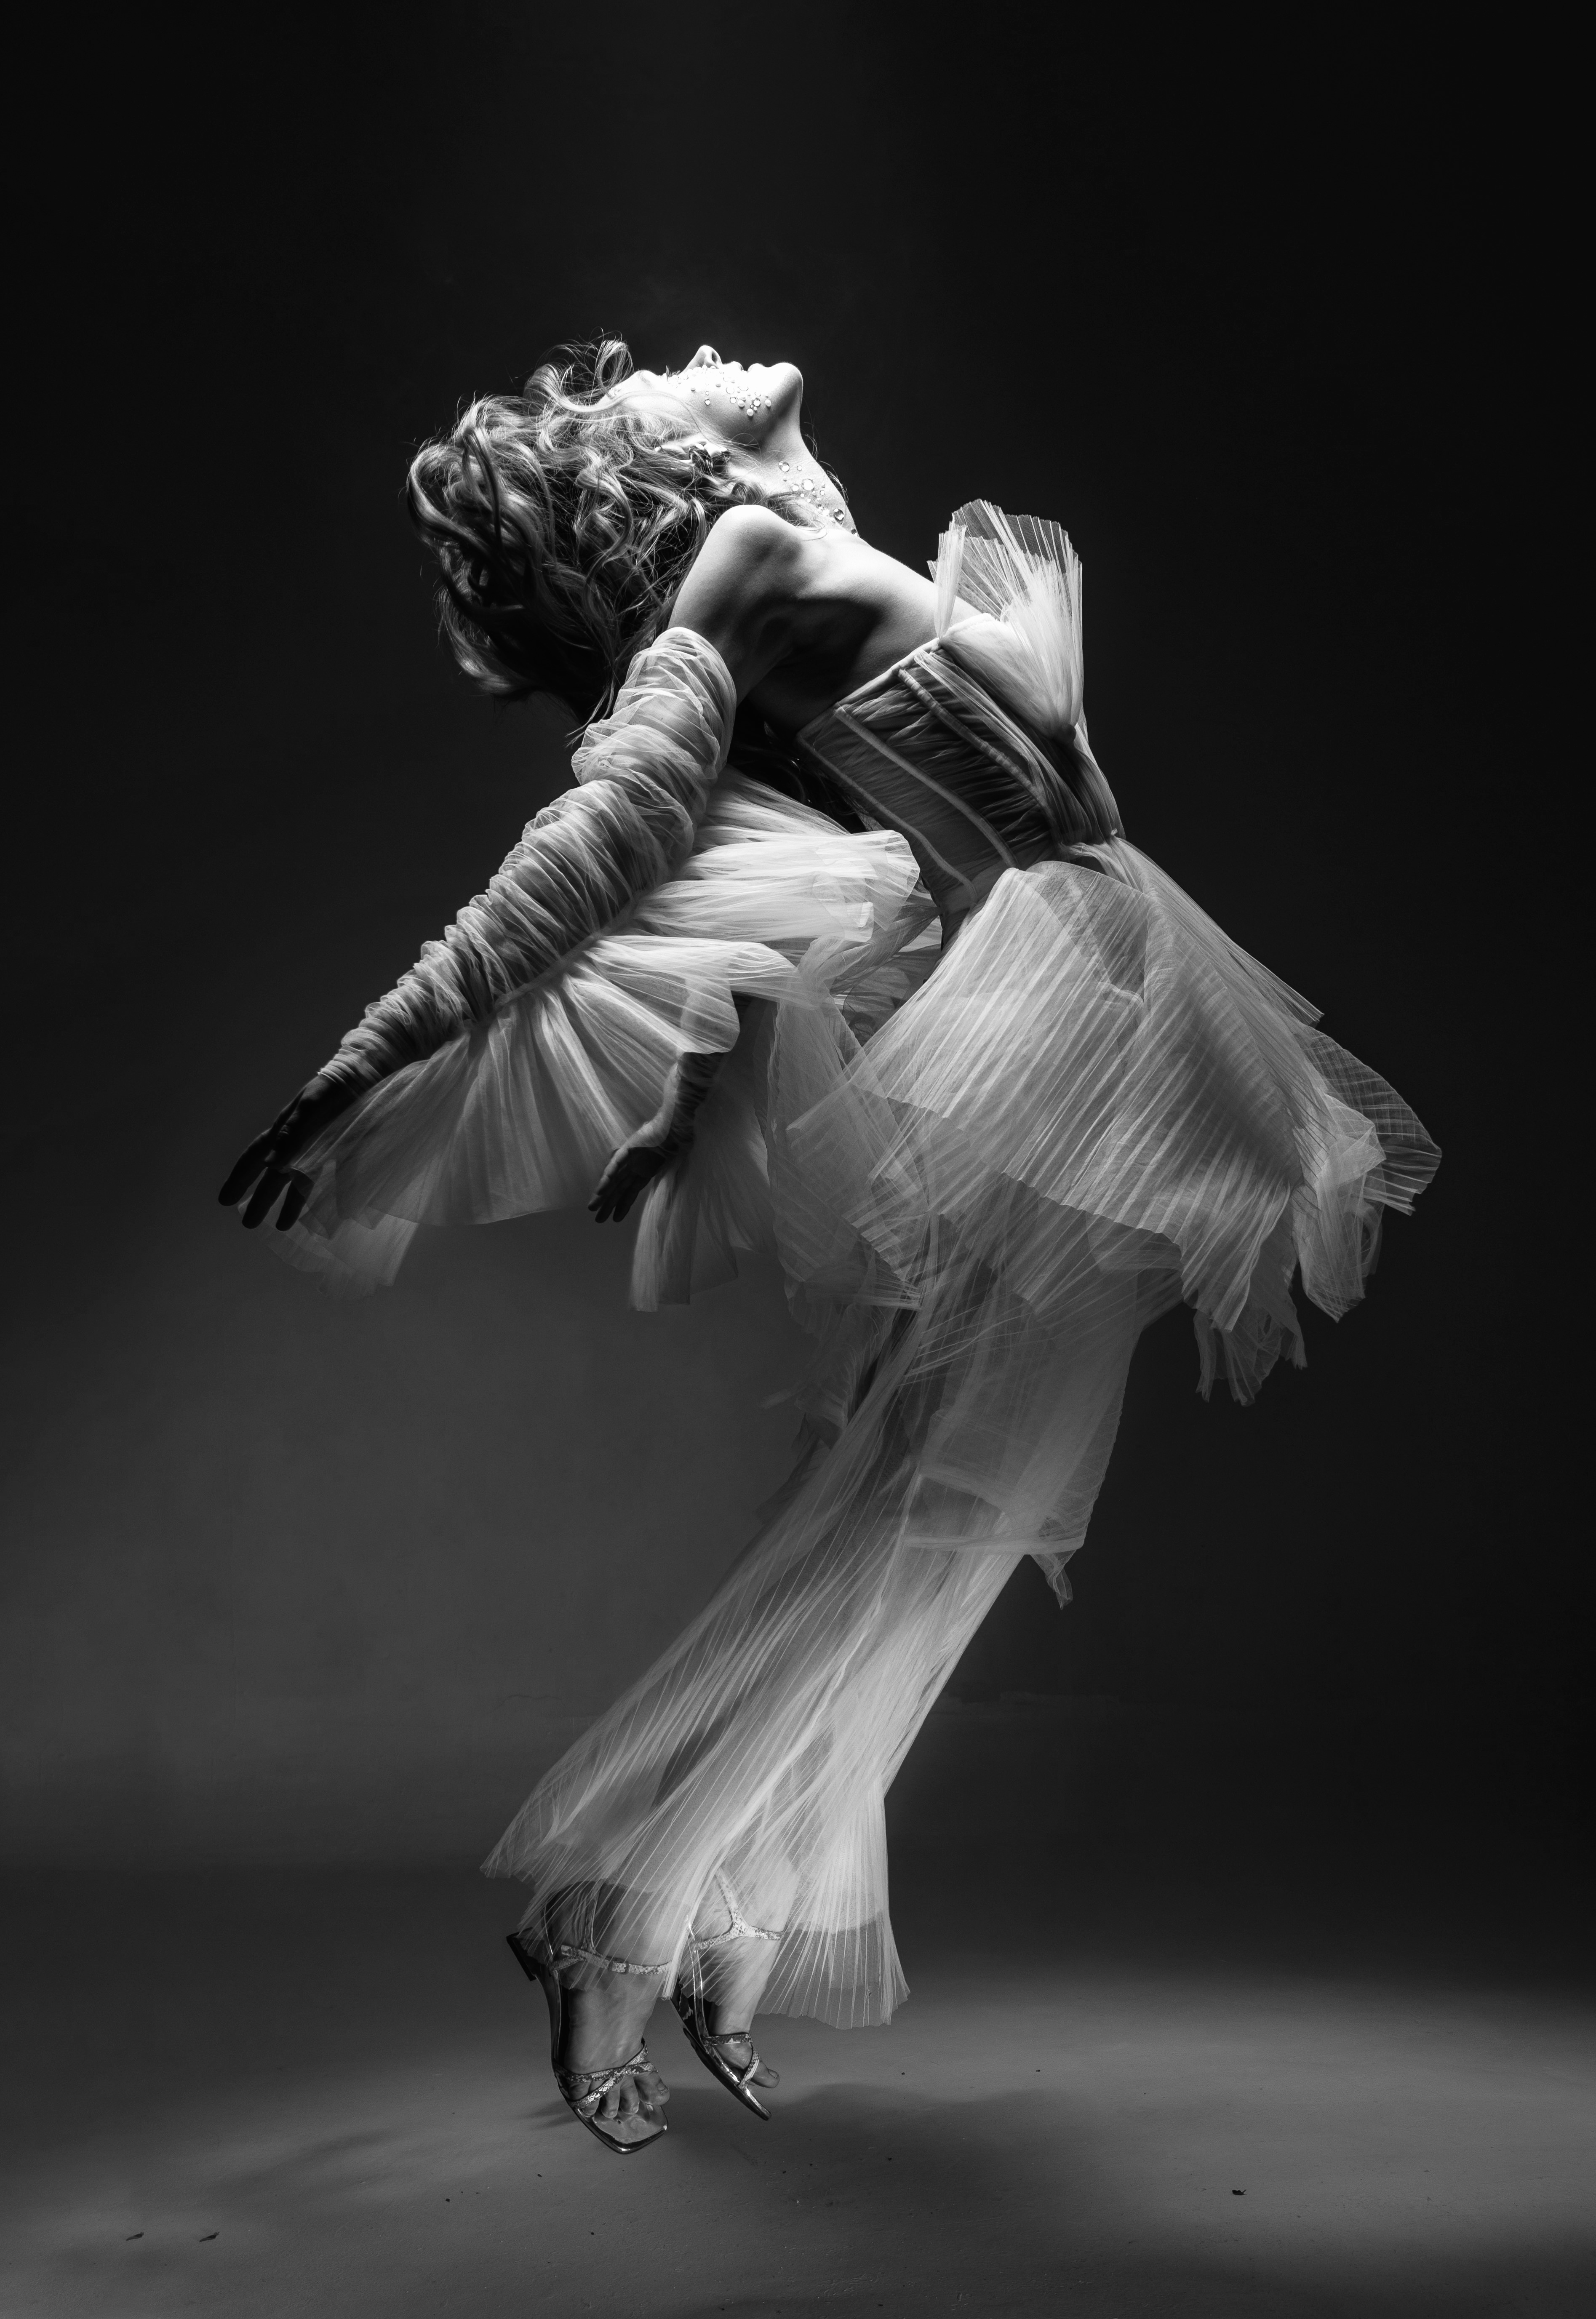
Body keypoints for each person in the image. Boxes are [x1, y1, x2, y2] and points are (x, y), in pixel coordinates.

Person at [222, 338, 1439, 2154]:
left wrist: (695, 1093)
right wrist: (376, 1051)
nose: (685, 355)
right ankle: (621, 1914)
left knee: (935, 1507)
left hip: (1069, 1013)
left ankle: (713, 1910)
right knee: (923, 1507)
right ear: (645, 485)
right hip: (1048, 1033)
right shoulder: (735, 574)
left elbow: (839, 868)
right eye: (646, 385)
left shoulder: (809, 537)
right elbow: (606, 837)